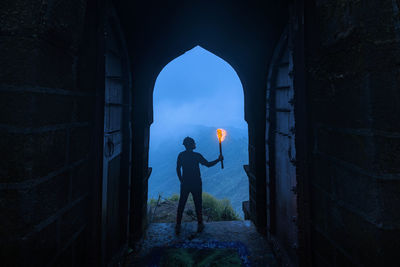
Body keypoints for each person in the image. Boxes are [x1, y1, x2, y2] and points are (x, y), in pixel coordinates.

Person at [175, 136, 223, 234]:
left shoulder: (181, 155)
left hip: (185, 183)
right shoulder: (197, 156)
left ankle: (178, 224)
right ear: (191, 145)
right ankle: (200, 224)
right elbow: (208, 164)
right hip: (196, 183)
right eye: (194, 143)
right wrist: (218, 160)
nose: (195, 144)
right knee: (198, 204)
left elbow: (178, 169)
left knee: (182, 203)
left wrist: (181, 180)